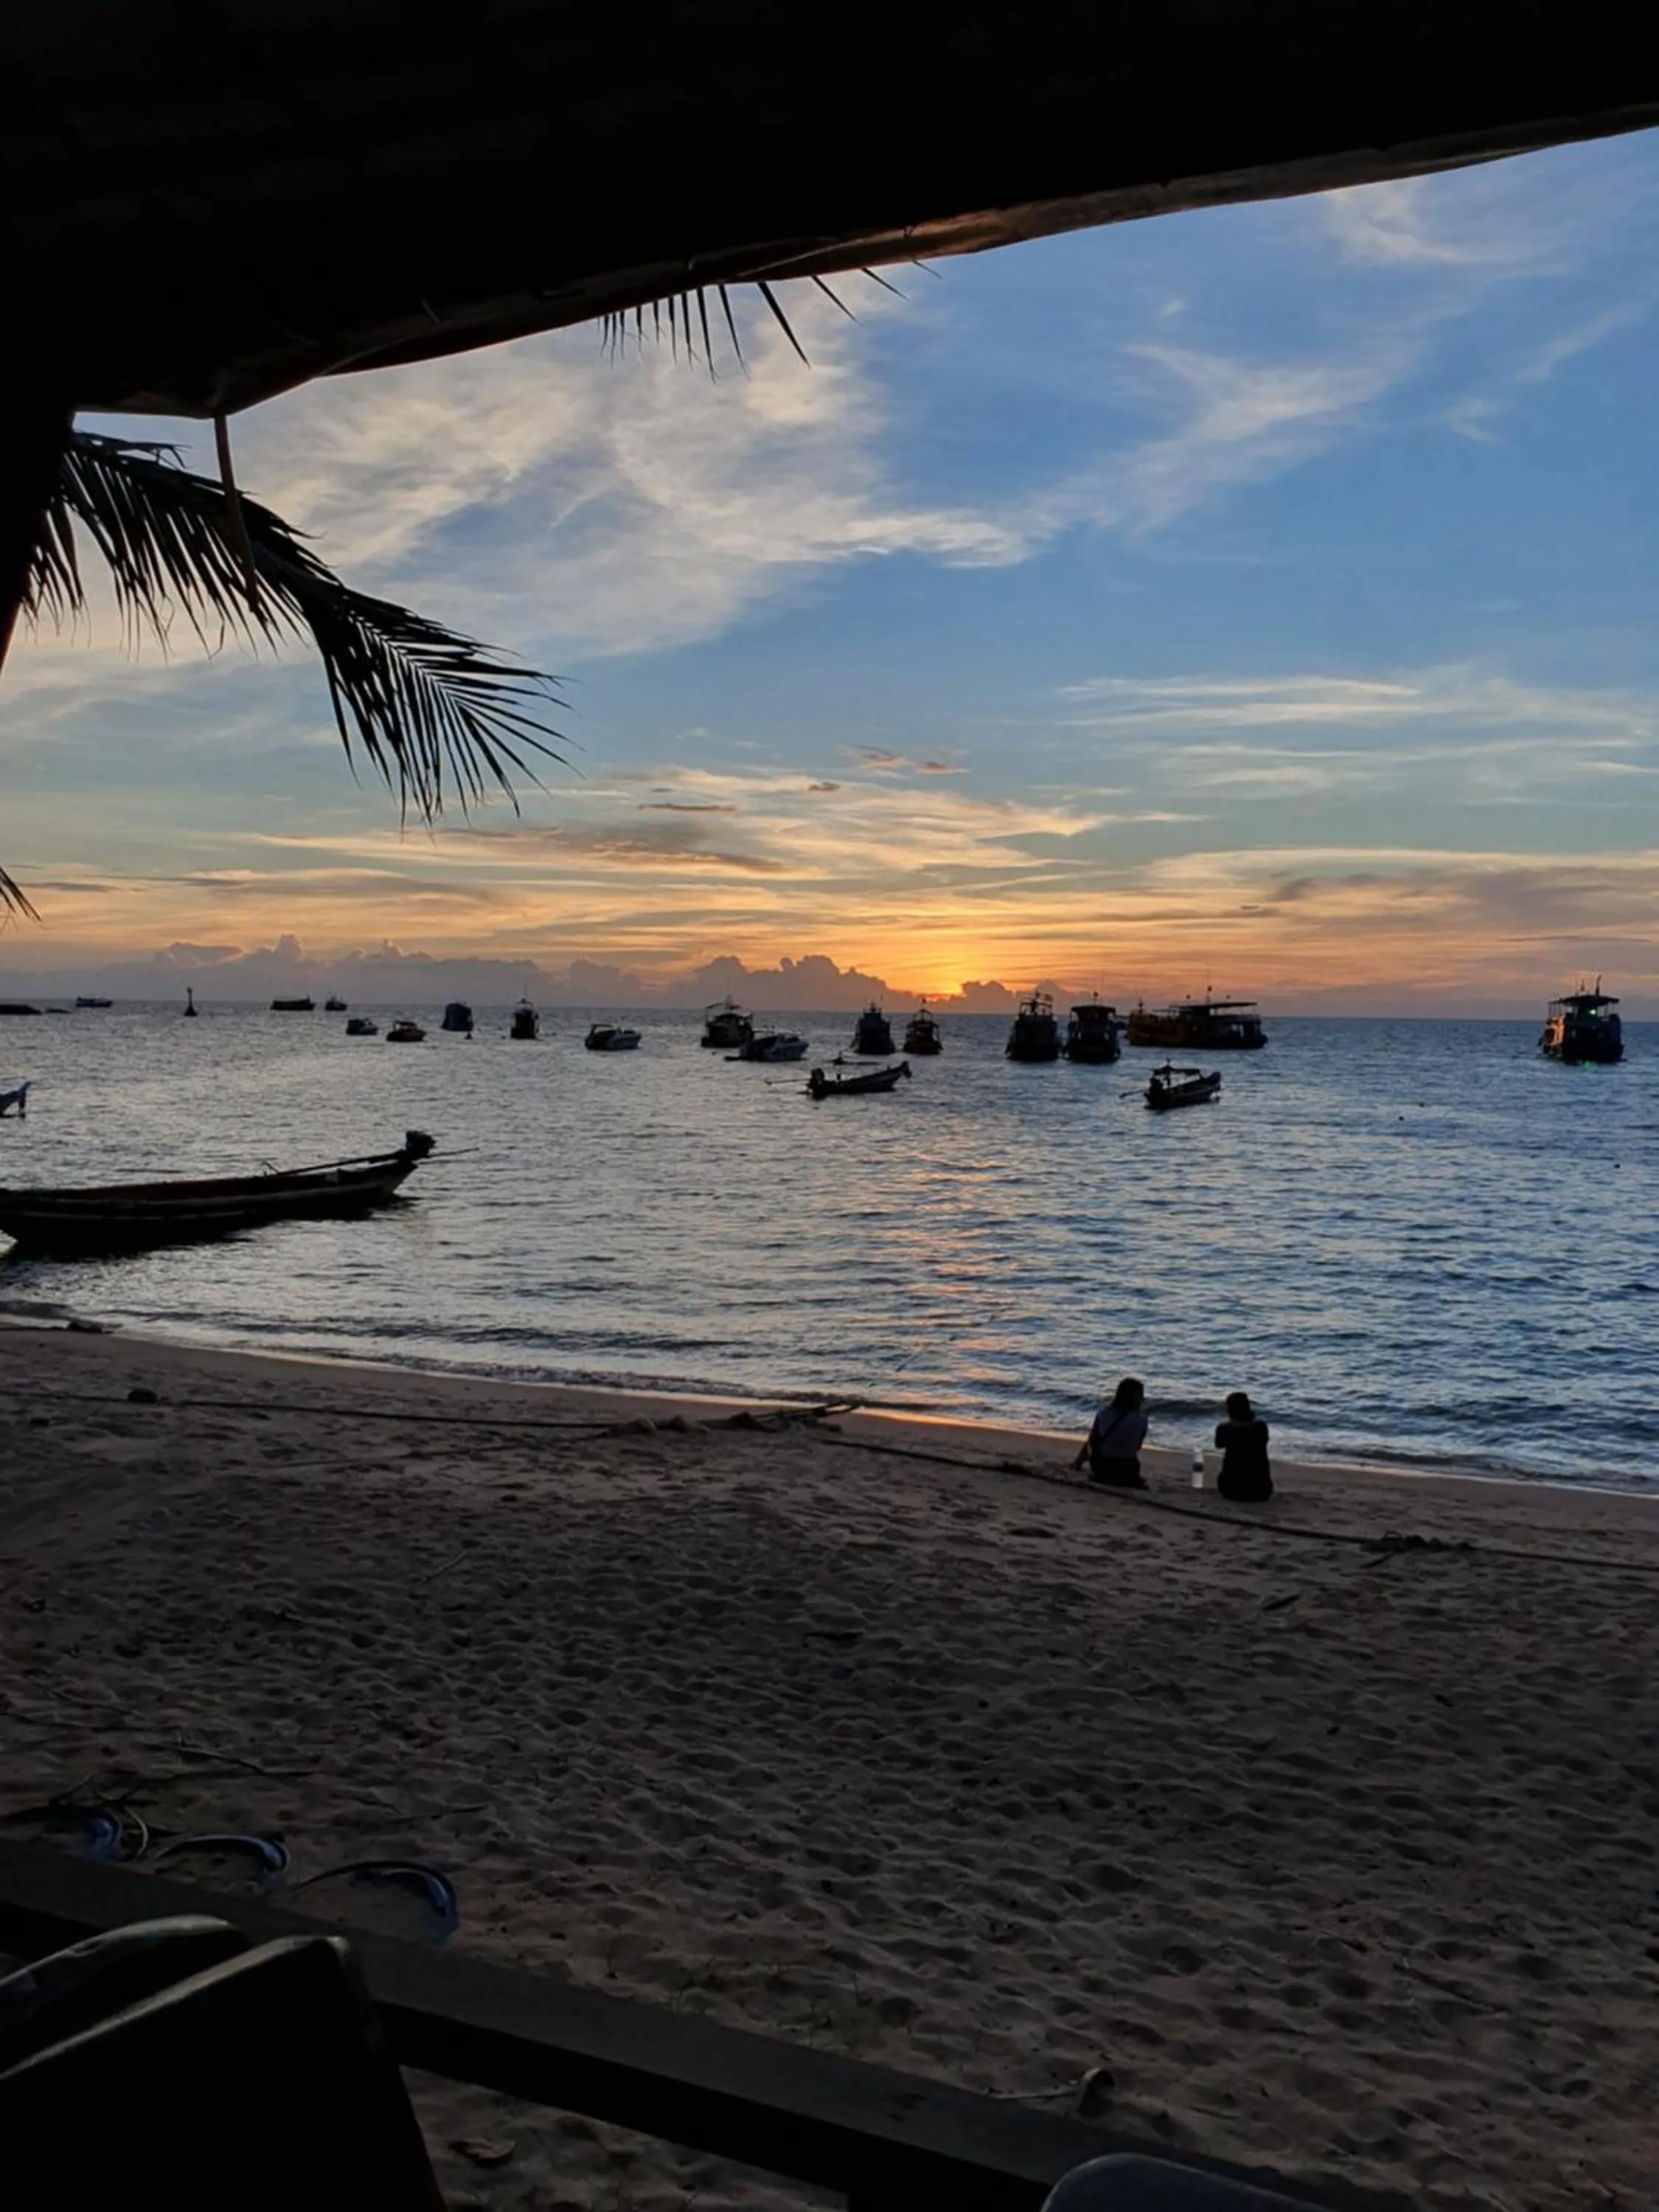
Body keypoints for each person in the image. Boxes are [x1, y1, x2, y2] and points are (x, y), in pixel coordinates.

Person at [1073, 1377, 1148, 1489]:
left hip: (1103, 1465)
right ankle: (1127, 1479)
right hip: (1129, 1467)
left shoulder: (1104, 1413)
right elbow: (1137, 1447)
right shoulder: (1142, 1419)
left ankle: (1077, 1464)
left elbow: (1093, 1440)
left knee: (1093, 1440)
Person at [1214, 1391, 1273, 1502]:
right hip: (1262, 1490)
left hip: (1231, 1490)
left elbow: (1219, 1444)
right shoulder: (1260, 1427)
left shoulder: (1224, 1429)